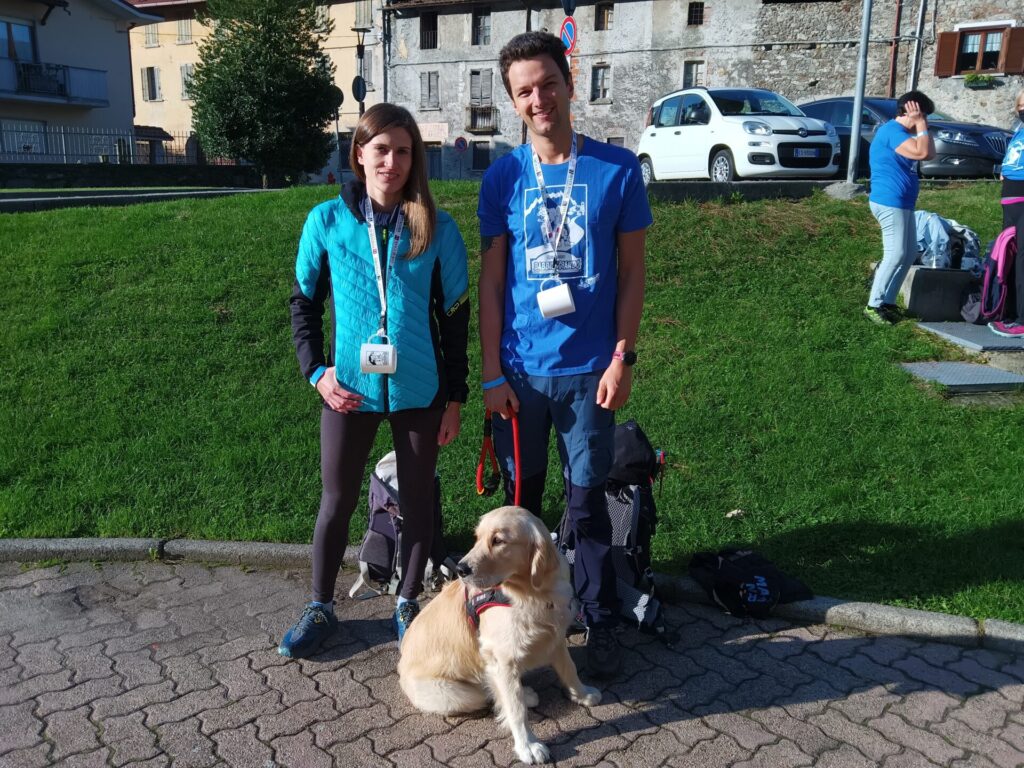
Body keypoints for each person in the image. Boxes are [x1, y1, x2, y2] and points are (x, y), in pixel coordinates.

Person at [477, 31, 652, 678]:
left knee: (587, 506)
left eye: (548, 83)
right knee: (518, 510)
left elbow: (632, 274)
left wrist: (621, 358)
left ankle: (597, 619)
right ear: (514, 103)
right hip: (521, 376)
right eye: (524, 91)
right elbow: (493, 282)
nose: (539, 98)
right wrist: (492, 372)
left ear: (569, 83)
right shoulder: (502, 177)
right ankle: (514, 623)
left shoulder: (617, 169)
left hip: (590, 375)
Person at [282, 103, 470, 657]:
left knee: (418, 498)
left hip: (419, 390)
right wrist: (316, 373)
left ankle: (408, 602)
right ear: (358, 154)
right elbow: (303, 306)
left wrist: (454, 398)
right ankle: (321, 605)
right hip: (349, 391)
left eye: (404, 151)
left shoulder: (436, 227)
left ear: (416, 161)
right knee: (335, 500)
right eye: (381, 149)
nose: (392, 161)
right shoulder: (327, 222)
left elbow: (455, 319)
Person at [864, 90, 936, 325]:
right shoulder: (892, 132)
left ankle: (888, 302)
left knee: (907, 254)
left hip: (902, 202)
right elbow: (922, 152)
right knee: (895, 254)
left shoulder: (903, 132)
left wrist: (922, 125)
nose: (924, 121)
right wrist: (921, 123)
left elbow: (930, 153)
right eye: (924, 114)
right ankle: (873, 305)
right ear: (911, 110)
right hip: (889, 201)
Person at [990, 90, 1024, 338]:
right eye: (1021, 104)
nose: (1022, 109)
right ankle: (1010, 311)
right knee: (1009, 255)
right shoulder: (1018, 129)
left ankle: (1023, 319)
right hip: (1010, 198)